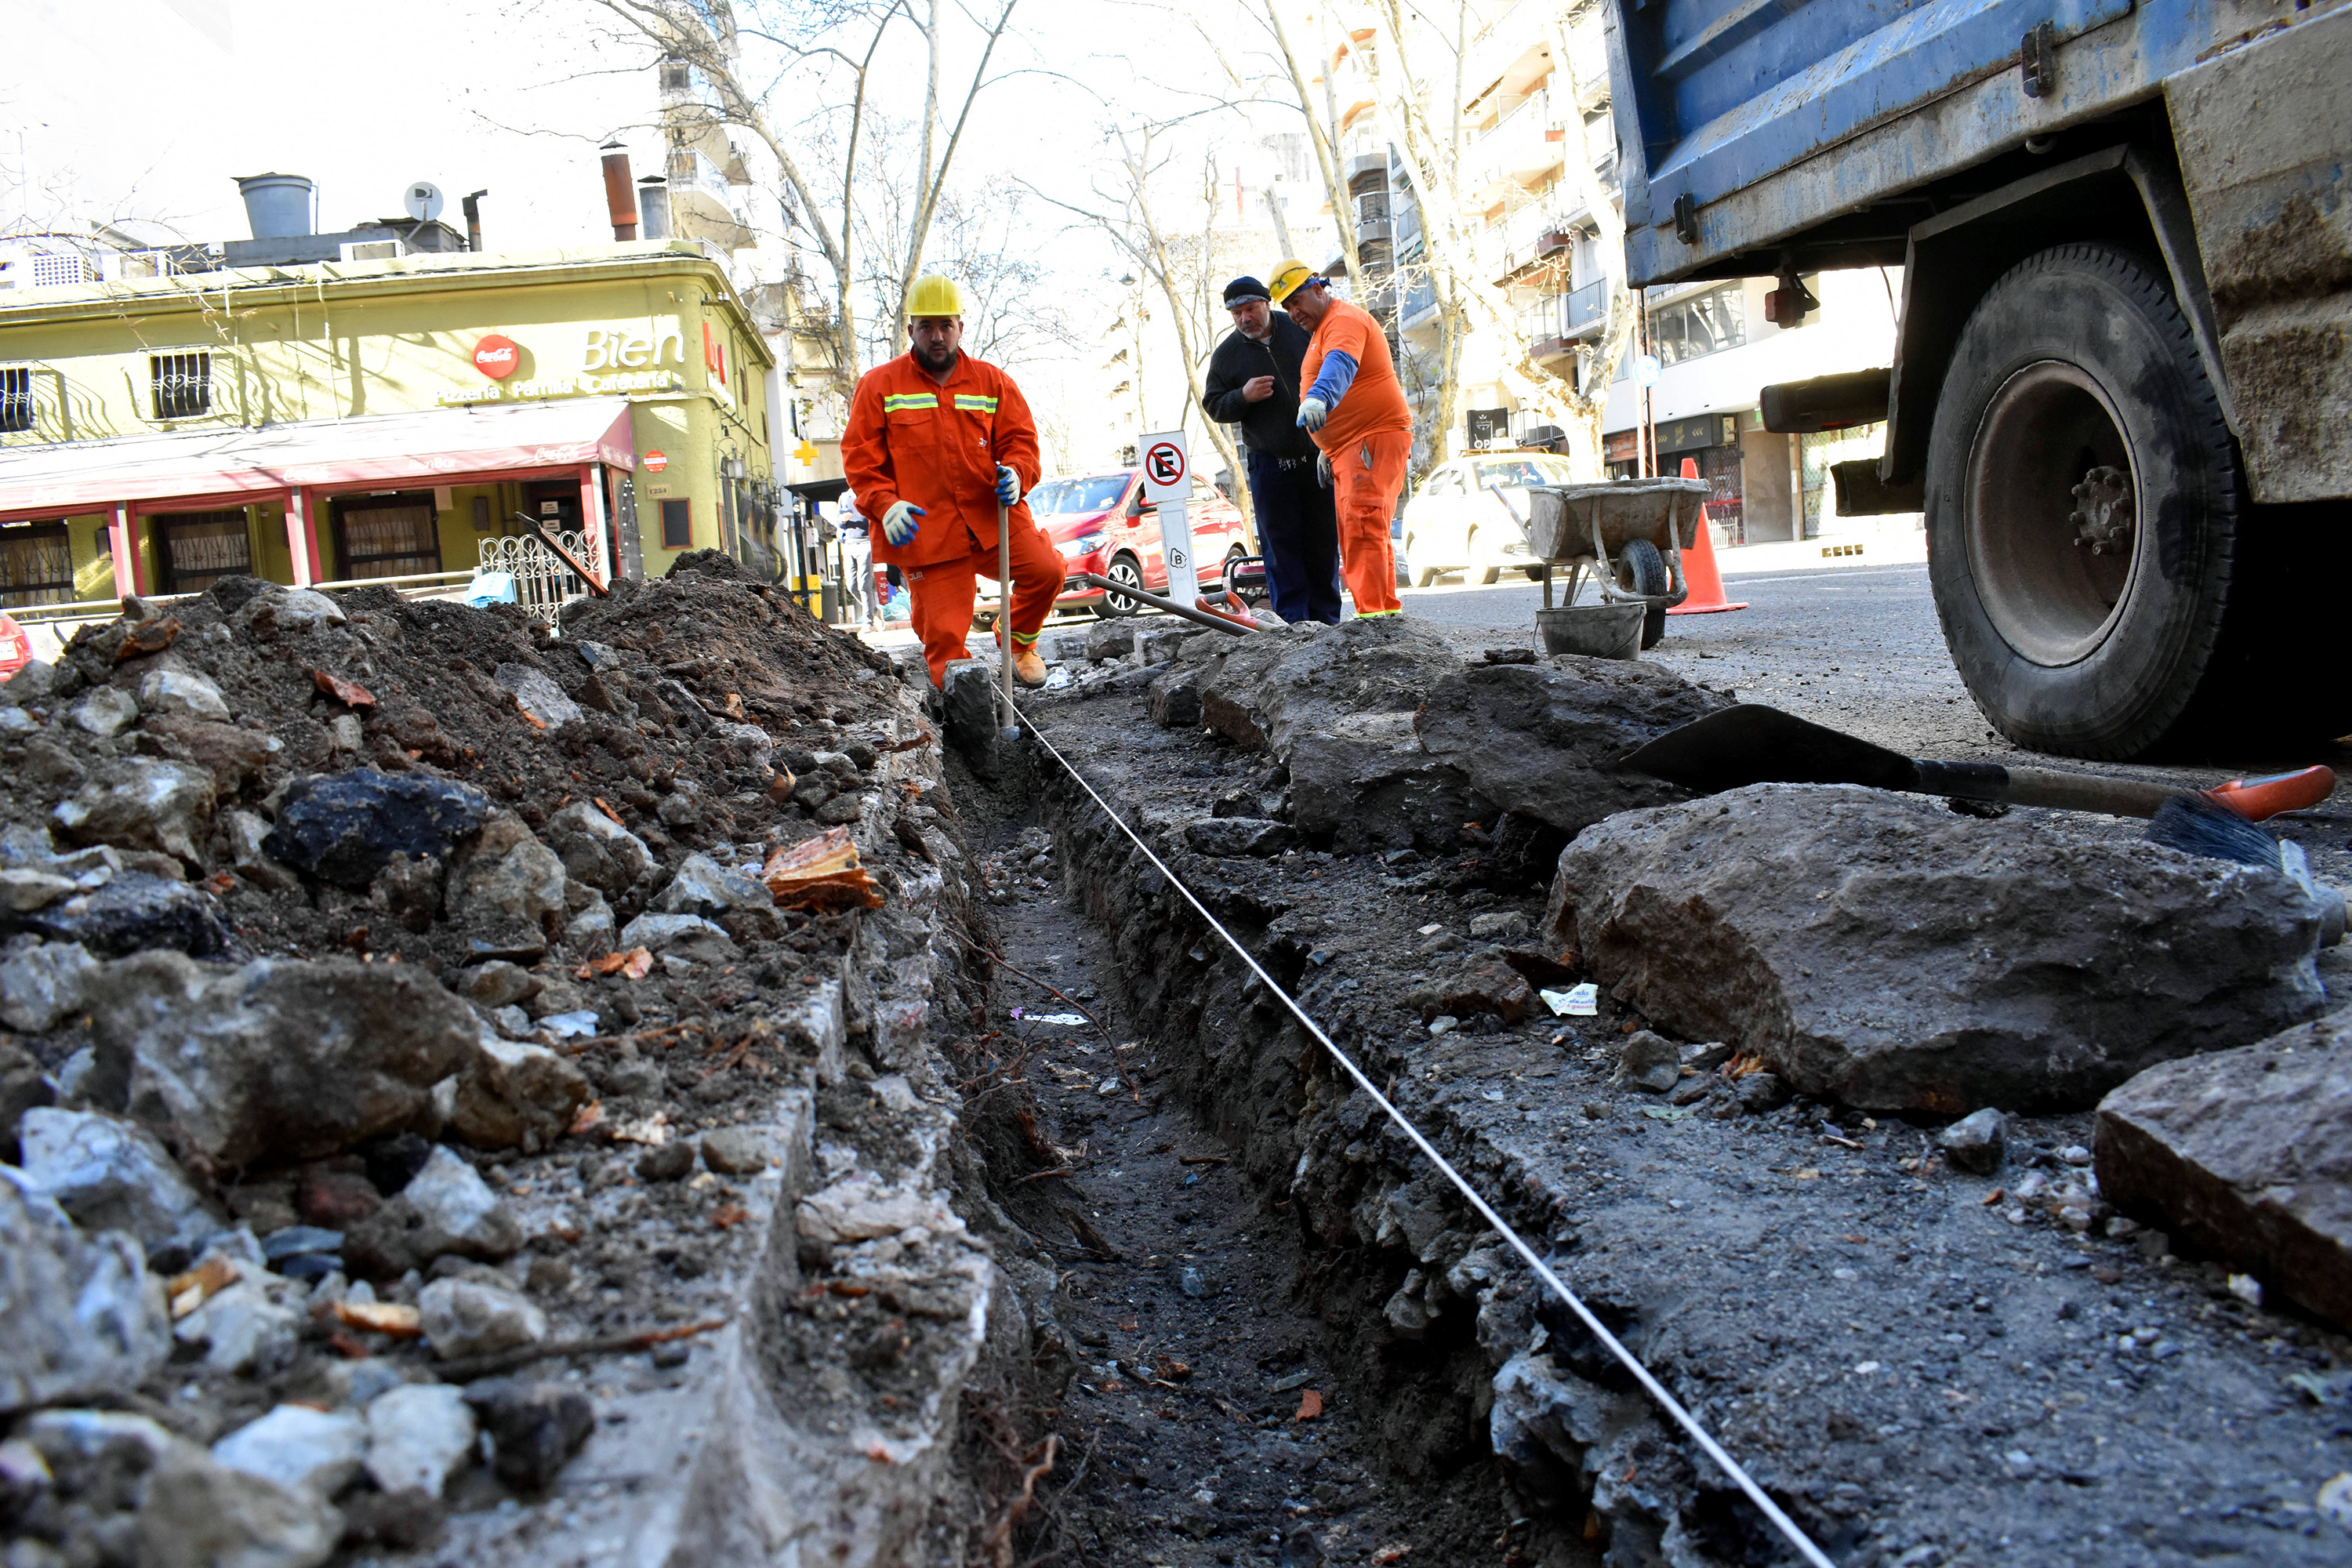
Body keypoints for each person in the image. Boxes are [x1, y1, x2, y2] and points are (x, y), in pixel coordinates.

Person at [840, 274, 1056, 686]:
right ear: (911, 331)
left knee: (1046, 571)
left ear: (961, 327)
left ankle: (1018, 641)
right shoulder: (879, 386)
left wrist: (1016, 472)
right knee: (944, 638)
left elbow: (1021, 442)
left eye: (945, 325)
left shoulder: (992, 382)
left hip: (991, 517)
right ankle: (967, 721)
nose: (936, 336)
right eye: (926, 327)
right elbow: (859, 458)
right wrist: (886, 505)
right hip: (927, 531)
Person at [1266, 259, 1409, 618]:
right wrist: (1326, 446)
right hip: (1350, 446)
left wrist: (1319, 398)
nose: (1294, 312)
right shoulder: (1323, 330)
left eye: (1297, 301)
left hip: (1370, 438)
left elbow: (1340, 364)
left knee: (1364, 526)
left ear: (1318, 288)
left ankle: (1375, 620)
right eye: (1287, 307)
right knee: (1360, 529)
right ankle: (1382, 614)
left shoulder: (1342, 320)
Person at [1200, 275, 1344, 624]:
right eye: (1236, 313)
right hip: (1269, 465)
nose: (1244, 318)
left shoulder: (1301, 330)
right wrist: (1242, 397)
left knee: (1323, 543)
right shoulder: (1227, 355)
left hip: (1317, 458)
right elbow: (1214, 405)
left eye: (1250, 309)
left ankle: (1328, 621)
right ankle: (1292, 624)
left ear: (1267, 304)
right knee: (1280, 549)